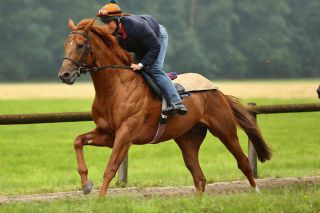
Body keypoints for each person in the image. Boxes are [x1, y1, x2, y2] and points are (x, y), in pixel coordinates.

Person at [96, 0, 187, 115]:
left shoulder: (136, 27)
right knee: (133, 70)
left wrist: (141, 64)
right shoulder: (112, 32)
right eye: (104, 22)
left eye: (108, 22)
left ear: (118, 20)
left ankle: (177, 102)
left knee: (154, 69)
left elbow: (155, 47)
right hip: (140, 45)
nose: (106, 26)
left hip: (157, 38)